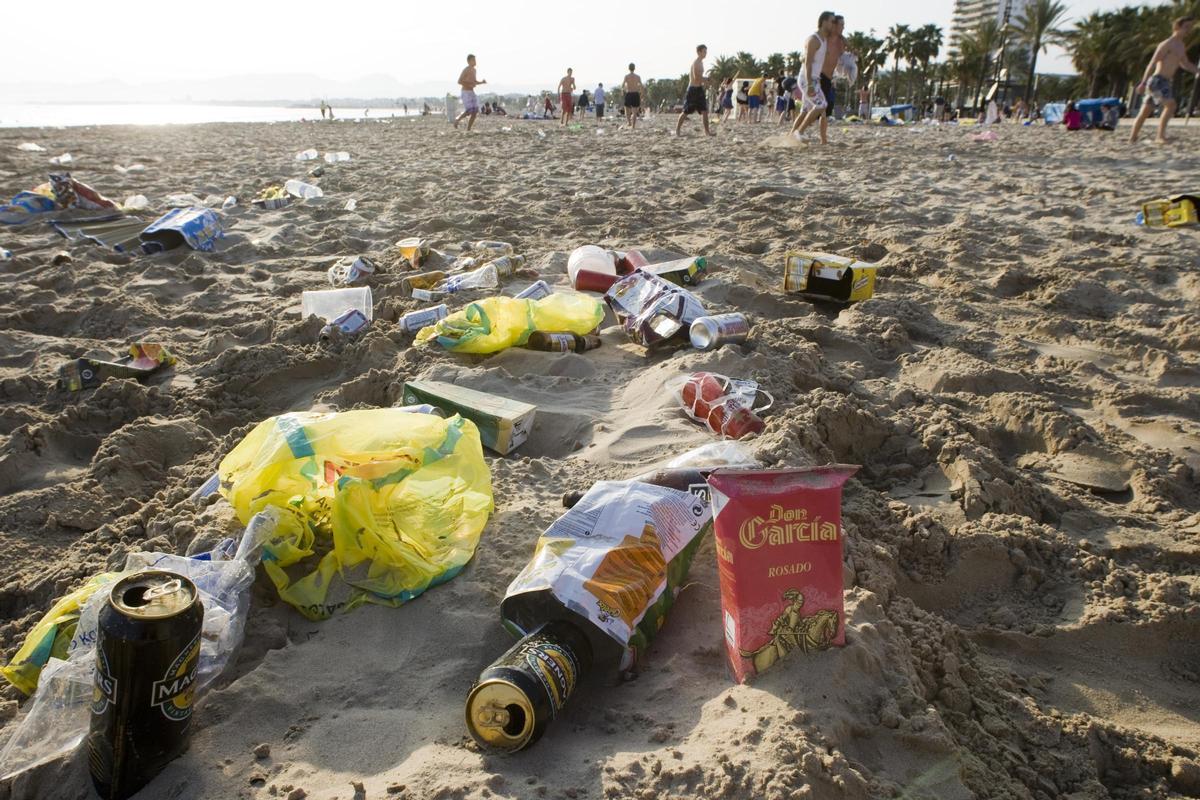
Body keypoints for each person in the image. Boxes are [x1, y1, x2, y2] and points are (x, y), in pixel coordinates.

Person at [1129, 16, 1197, 144]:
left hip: (1165, 81)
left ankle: (1133, 137)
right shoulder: (1167, 44)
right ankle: (1160, 136)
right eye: (1186, 27)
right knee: (1171, 105)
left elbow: (1185, 63)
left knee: (1146, 110)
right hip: (1157, 81)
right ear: (1177, 27)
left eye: (1190, 27)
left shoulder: (1181, 46)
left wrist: (1197, 71)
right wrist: (1143, 83)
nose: (1189, 30)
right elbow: (1152, 63)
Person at [791, 11, 837, 143]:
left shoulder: (824, 39)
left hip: (815, 79)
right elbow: (807, 63)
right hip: (808, 79)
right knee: (822, 105)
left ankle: (792, 136)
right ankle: (798, 132)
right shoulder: (814, 39)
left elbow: (838, 36)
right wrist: (810, 83)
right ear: (823, 22)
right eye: (831, 21)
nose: (833, 24)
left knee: (805, 109)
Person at [676, 44, 714, 136]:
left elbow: (700, 79)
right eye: (704, 51)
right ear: (699, 52)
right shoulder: (696, 63)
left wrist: (707, 82)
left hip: (699, 89)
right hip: (692, 90)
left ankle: (707, 132)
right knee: (686, 111)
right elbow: (696, 78)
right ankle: (677, 130)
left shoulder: (701, 63)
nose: (706, 53)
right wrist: (707, 80)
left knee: (705, 111)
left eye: (706, 51)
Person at [453, 54, 486, 131]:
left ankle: (468, 129)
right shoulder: (466, 70)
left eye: (475, 60)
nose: (475, 62)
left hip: (472, 92)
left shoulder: (474, 70)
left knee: (475, 112)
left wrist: (481, 82)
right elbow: (459, 81)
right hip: (465, 92)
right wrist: (468, 84)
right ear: (468, 61)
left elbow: (474, 81)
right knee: (469, 111)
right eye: (473, 60)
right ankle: (457, 120)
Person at [622, 64, 644, 129]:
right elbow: (641, 86)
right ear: (634, 68)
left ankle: (629, 122)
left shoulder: (626, 76)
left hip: (629, 93)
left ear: (629, 68)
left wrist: (623, 91)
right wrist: (642, 94)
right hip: (636, 94)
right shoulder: (638, 77)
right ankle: (633, 126)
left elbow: (622, 85)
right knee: (634, 112)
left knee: (627, 109)